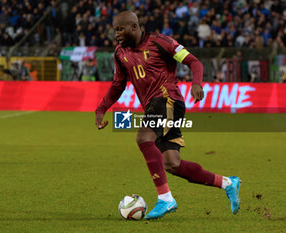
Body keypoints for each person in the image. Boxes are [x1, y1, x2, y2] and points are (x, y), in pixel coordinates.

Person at [95, 11, 241, 220]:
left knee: (143, 137)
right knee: (173, 164)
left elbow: (194, 62)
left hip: (168, 100)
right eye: (115, 29)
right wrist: (101, 108)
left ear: (134, 27)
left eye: (120, 29)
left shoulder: (159, 42)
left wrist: (197, 83)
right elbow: (118, 85)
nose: (116, 33)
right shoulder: (120, 53)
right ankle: (227, 183)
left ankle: (165, 199)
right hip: (155, 107)